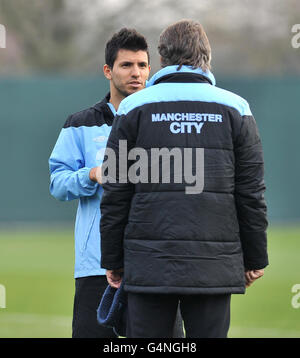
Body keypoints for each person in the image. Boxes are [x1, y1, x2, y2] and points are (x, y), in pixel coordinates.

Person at [100, 19, 269, 338]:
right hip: (214, 265)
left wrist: (113, 258)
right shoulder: (237, 108)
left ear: (161, 58)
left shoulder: (133, 107)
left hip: (148, 264)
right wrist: (255, 256)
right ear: (206, 56)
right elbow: (250, 193)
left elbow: (116, 192)